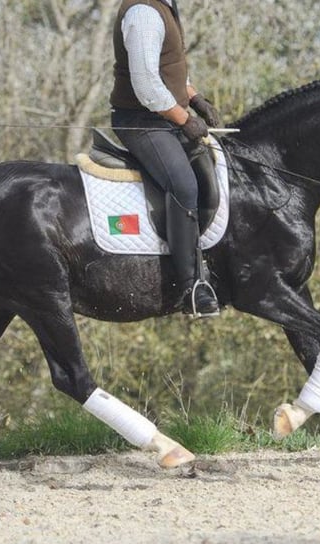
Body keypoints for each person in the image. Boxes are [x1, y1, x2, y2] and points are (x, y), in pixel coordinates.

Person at [110, 0, 221, 318]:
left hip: (162, 118)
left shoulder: (165, 6)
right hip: (142, 122)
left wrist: (194, 97)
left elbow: (168, 69)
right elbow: (146, 85)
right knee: (183, 185)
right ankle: (190, 287)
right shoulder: (144, 12)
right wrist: (183, 119)